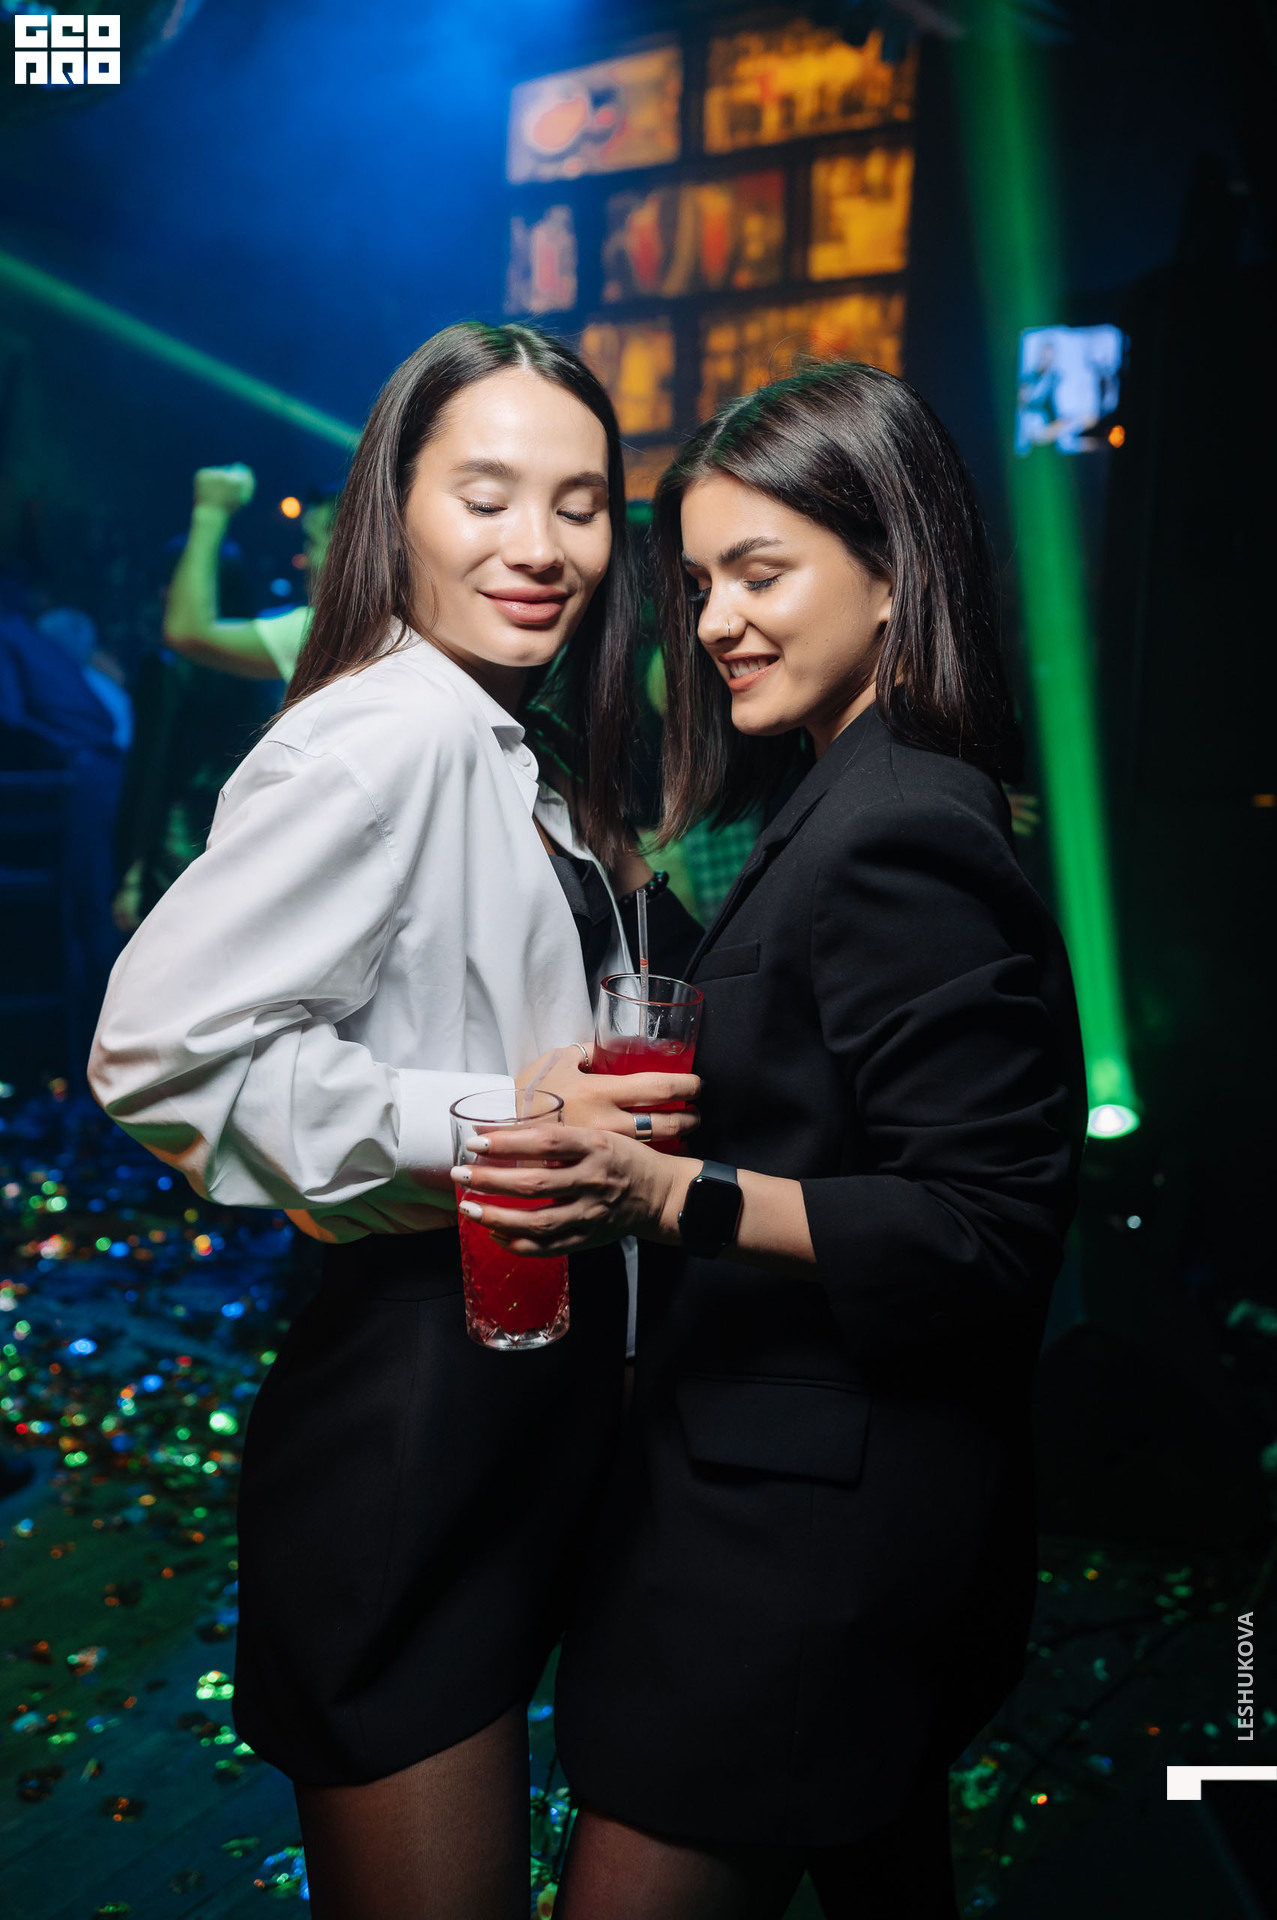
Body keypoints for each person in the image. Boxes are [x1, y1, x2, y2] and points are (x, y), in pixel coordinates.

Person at [452, 363, 1087, 1919]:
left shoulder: (899, 825)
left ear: (892, 575)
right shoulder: (844, 796)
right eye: (698, 585)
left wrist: (666, 1194)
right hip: (791, 1514)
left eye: (760, 574)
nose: (717, 623)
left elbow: (983, 1229)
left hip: (800, 1553)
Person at [88, 321, 700, 1920]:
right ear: (396, 508)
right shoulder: (389, 733)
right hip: (410, 1410)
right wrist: (503, 1114)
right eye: (484, 495)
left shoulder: (510, 739)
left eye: (579, 504)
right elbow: (158, 1056)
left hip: (518, 1389)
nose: (537, 545)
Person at [162, 465, 337, 682]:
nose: (305, 559)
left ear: (350, 551)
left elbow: (188, 632)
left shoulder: (328, 631)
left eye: (313, 542)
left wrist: (211, 510)